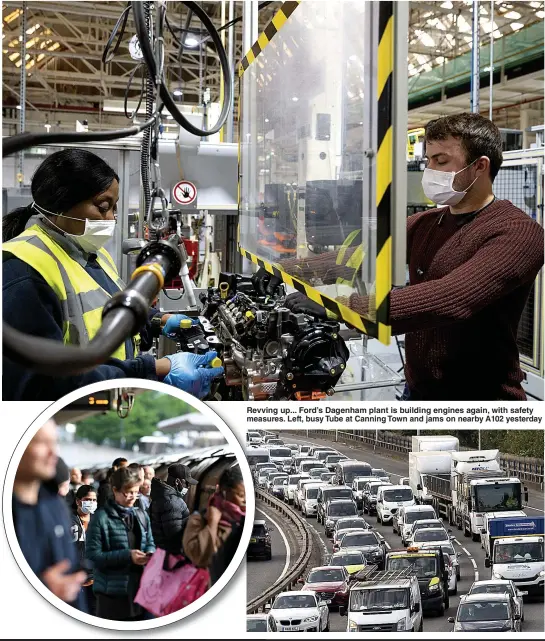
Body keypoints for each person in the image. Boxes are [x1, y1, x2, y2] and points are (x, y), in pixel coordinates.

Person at [253, 113, 544, 401]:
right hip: (418, 389)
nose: (429, 170)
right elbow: (356, 258)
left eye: (441, 161)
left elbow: (452, 298)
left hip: (480, 401)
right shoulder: (427, 222)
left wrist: (340, 308)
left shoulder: (518, 233)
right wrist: (281, 269)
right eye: (428, 160)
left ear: (480, 166)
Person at [3, 148, 224, 401]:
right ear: (61, 204)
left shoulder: (90, 251)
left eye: (114, 208)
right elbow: (38, 388)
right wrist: (153, 371)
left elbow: (105, 308)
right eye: (103, 207)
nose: (112, 218)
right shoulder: (23, 272)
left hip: (109, 403)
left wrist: (157, 321)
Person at [12, 420, 87, 611]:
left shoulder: (55, 506)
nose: (53, 453)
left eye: (54, 442)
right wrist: (44, 591)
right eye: (41, 443)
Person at [85, 466, 155, 621]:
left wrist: (149, 553)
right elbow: (93, 555)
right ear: (115, 490)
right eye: (128, 492)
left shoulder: (141, 515)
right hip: (112, 597)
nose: (132, 497)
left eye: (136, 492)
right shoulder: (101, 518)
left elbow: (150, 541)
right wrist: (128, 556)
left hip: (140, 592)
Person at [182, 466, 246, 585]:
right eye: (241, 495)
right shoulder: (200, 519)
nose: (245, 500)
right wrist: (212, 523)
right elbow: (198, 555)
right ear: (224, 492)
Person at [149, 464, 196, 555]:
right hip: (169, 556)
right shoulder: (173, 503)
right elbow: (175, 539)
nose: (188, 486)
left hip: (160, 552)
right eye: (186, 483)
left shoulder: (161, 496)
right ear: (177, 482)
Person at [71, 485, 97, 615]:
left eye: (94, 500)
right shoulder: (69, 520)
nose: (91, 503)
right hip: (77, 580)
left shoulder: (99, 519)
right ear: (78, 501)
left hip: (97, 579)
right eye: (87, 499)